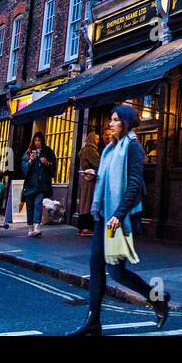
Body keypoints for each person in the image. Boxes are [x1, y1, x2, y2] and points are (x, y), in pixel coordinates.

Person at [68, 105, 167, 336]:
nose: (110, 124)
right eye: (110, 120)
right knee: (96, 266)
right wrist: (96, 176)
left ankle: (158, 299)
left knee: (116, 271)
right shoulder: (111, 149)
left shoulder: (133, 147)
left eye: (114, 120)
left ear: (126, 122)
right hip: (105, 215)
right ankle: (93, 321)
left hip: (118, 218)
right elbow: (110, 178)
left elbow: (134, 184)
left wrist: (118, 214)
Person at [19, 132, 56, 237]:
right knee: (30, 205)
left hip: (41, 184)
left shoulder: (48, 151)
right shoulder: (28, 152)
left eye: (39, 140)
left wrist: (46, 163)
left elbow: (53, 168)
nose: (37, 143)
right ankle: (30, 227)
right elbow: (24, 168)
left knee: (38, 203)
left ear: (42, 141)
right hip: (30, 184)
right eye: (35, 140)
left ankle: (37, 226)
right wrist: (30, 160)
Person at [75, 131, 101, 237]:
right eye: (97, 139)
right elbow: (98, 163)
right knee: (88, 202)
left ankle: (82, 227)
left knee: (84, 202)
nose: (98, 141)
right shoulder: (90, 149)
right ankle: (86, 227)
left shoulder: (84, 149)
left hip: (86, 179)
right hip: (90, 180)